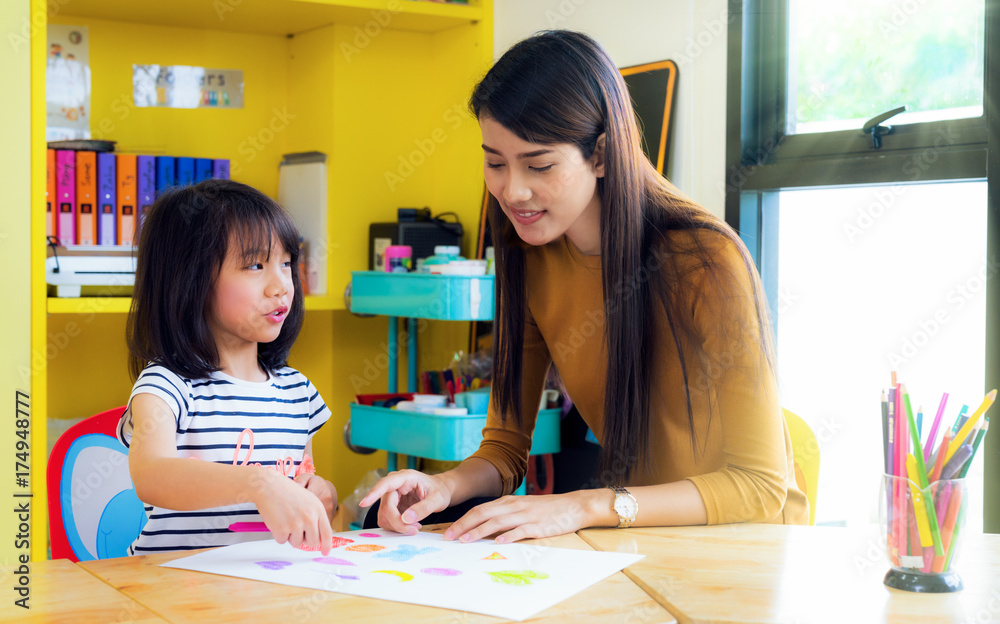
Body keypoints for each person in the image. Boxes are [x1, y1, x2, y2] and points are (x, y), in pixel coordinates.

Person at [361, 30, 808, 542]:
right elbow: (505, 450)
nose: (513, 190)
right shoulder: (527, 253)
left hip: (746, 551)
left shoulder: (706, 263)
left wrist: (585, 506)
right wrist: (443, 486)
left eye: (540, 164)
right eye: (495, 162)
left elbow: (760, 486)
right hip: (638, 543)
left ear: (600, 155)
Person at [119, 179, 338, 555]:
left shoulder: (298, 393)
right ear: (191, 280)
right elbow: (151, 475)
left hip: (266, 588)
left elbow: (303, 481)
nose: (282, 285)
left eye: (286, 263)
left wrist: (322, 496)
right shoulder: (166, 386)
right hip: (172, 590)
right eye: (256, 265)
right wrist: (257, 483)